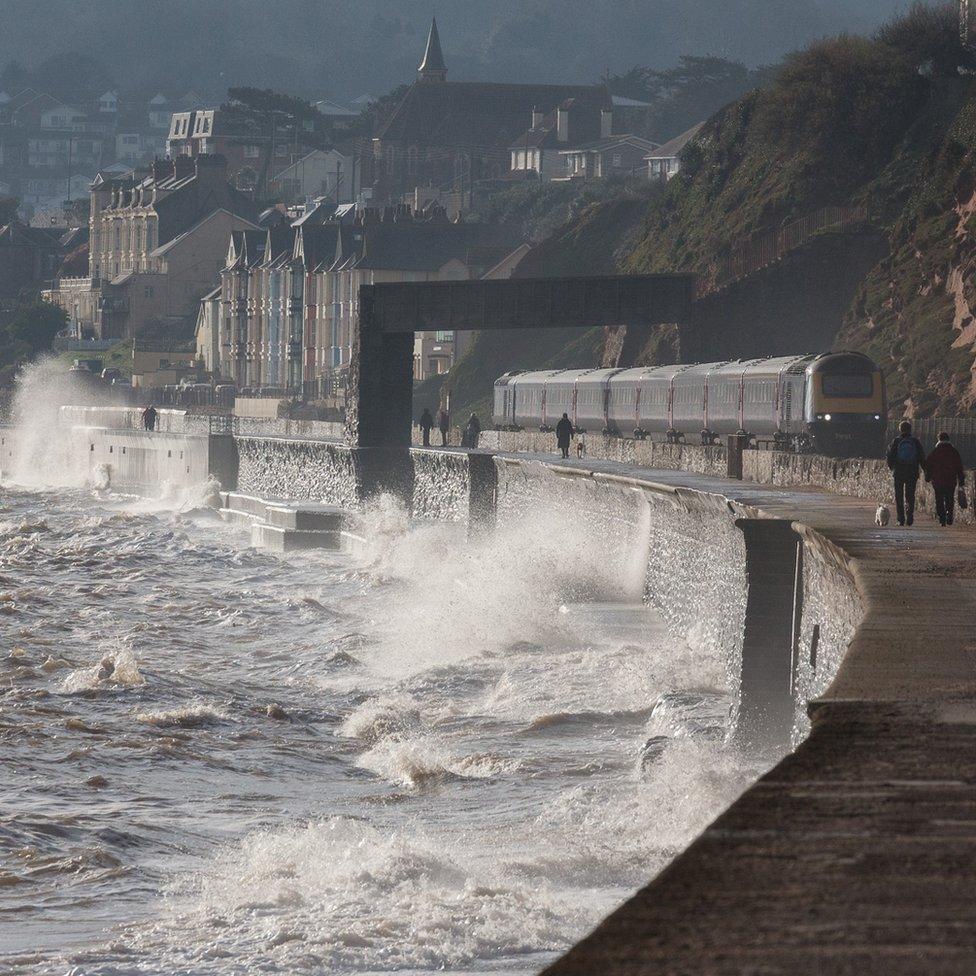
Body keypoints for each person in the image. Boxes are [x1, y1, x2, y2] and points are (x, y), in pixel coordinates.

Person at [886, 420, 926, 526]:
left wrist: (892, 468)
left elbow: (890, 456)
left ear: (900, 429)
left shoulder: (896, 441)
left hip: (899, 472)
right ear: (910, 429)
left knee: (899, 496)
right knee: (910, 496)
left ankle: (900, 518)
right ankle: (910, 516)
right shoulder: (915, 442)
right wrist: (925, 470)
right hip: (912, 472)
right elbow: (921, 457)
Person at [925, 432, 965, 526]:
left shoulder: (935, 451)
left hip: (937, 480)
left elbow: (928, 465)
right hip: (950, 480)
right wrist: (961, 479)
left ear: (939, 439)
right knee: (949, 498)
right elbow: (959, 466)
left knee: (939, 499)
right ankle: (949, 516)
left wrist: (928, 477)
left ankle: (942, 519)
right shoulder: (954, 451)